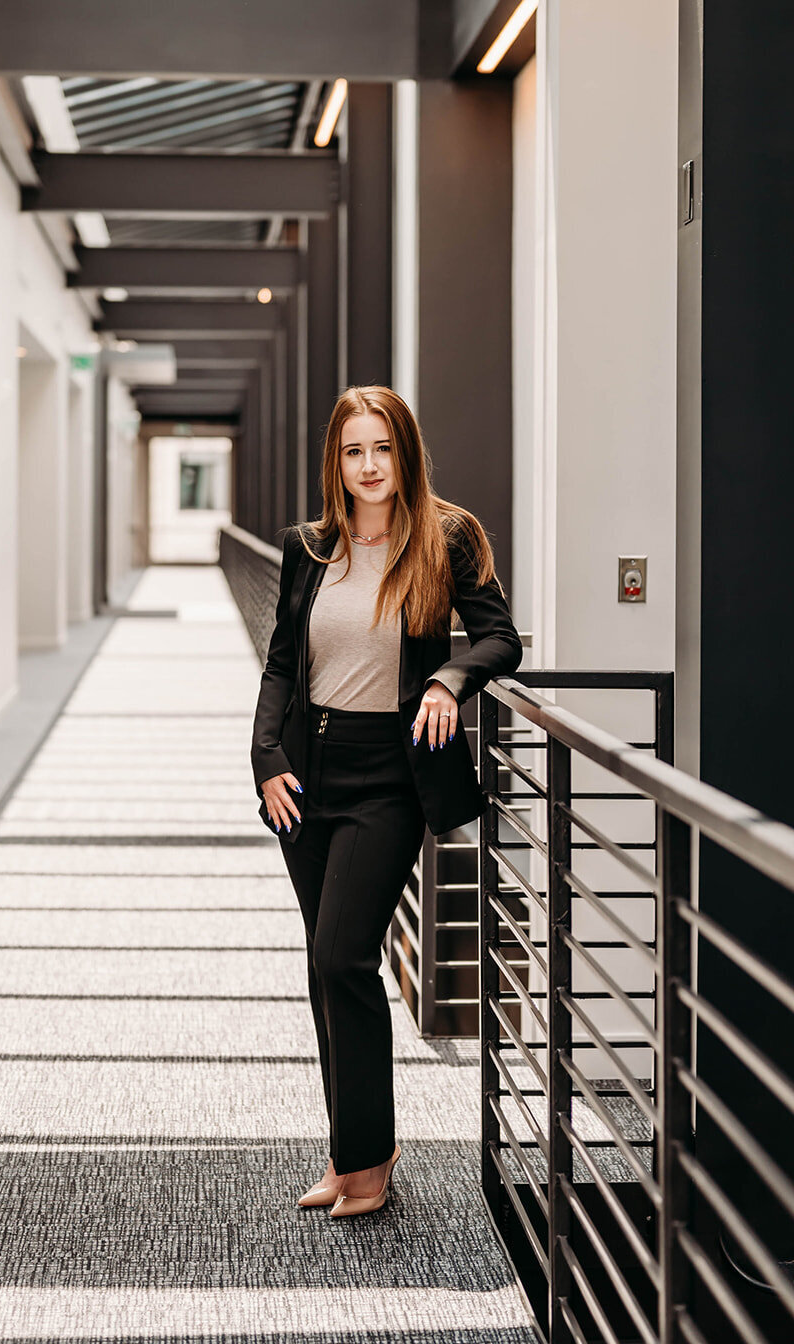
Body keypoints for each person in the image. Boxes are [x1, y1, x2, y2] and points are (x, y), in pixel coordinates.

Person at [250, 385, 522, 1219]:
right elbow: (282, 665)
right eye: (352, 452)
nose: (369, 467)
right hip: (307, 773)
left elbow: (499, 638)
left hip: (390, 779)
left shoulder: (447, 537)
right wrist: (264, 755)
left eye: (383, 449)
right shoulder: (310, 548)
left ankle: (370, 1159)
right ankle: (347, 1150)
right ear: (336, 460)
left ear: (405, 452)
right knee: (320, 966)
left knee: (343, 958)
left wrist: (449, 676)